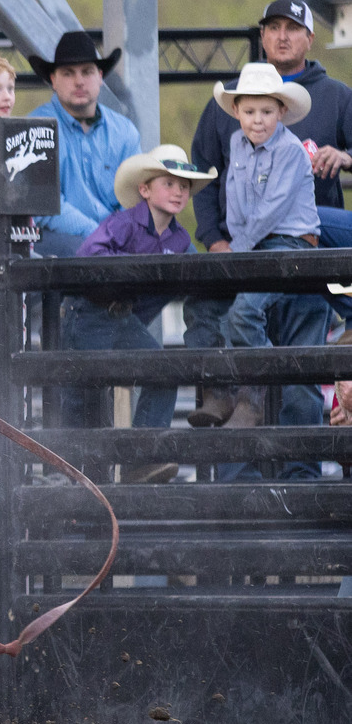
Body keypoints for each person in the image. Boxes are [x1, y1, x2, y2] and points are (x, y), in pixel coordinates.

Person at [187, 0, 352, 425]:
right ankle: (236, 470)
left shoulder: (337, 98)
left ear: (310, 39)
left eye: (293, 28)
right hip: (242, 249)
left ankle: (300, 479)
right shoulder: (226, 120)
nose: (282, 36)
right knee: (221, 322)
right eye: (274, 27)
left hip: (301, 253)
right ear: (261, 36)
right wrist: (216, 239)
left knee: (301, 376)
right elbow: (205, 176)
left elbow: (277, 207)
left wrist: (346, 156)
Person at [59, 146, 214, 483]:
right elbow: (89, 256)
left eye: (184, 186)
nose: (177, 191)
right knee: (85, 396)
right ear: (144, 190)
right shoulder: (123, 223)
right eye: (168, 183)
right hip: (89, 313)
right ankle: (77, 480)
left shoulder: (179, 239)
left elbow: (200, 271)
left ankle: (140, 459)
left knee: (164, 371)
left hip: (120, 319)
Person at [209, 63, 329, 478]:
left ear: (280, 112)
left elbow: (271, 210)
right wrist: (241, 249)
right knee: (218, 311)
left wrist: (239, 256)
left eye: (266, 112)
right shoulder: (236, 146)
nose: (257, 120)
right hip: (259, 246)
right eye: (249, 112)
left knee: (293, 365)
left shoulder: (293, 152)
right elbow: (236, 205)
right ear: (237, 112)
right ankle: (231, 395)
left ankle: (252, 399)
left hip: (295, 245)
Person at [27, 31, 142, 257]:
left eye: (87, 72)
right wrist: (99, 235)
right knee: (84, 252)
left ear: (100, 76)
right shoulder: (34, 129)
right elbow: (46, 207)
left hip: (116, 237)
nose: (79, 81)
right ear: (53, 80)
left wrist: (116, 235)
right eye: (68, 73)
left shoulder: (124, 130)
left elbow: (135, 197)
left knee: (178, 246)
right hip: (62, 239)